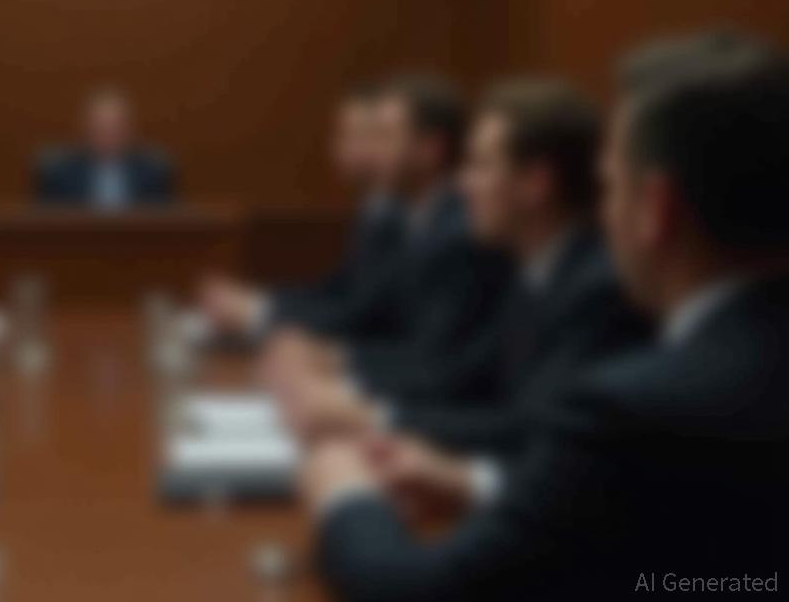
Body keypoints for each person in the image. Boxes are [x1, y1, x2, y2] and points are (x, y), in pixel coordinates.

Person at [301, 31, 789, 601]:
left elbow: (418, 592)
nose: (603, 214)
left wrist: (346, 496)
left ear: (655, 210)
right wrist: (475, 482)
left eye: (610, 186)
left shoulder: (639, 406)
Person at [261, 74, 513, 399]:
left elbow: (440, 362)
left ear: (430, 149)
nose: (372, 150)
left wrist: (342, 362)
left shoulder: (459, 235)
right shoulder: (409, 221)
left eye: (385, 136)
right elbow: (363, 306)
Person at [199, 83, 402, 337]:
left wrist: (255, 312)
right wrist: (258, 302)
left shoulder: (397, 219)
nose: (336, 146)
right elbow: (332, 291)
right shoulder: (375, 209)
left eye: (348, 135)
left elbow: (361, 317)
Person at [35, 86, 174, 208]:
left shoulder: (153, 171)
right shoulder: (59, 172)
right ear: (85, 128)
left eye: (115, 128)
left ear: (130, 129)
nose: (108, 135)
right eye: (100, 128)